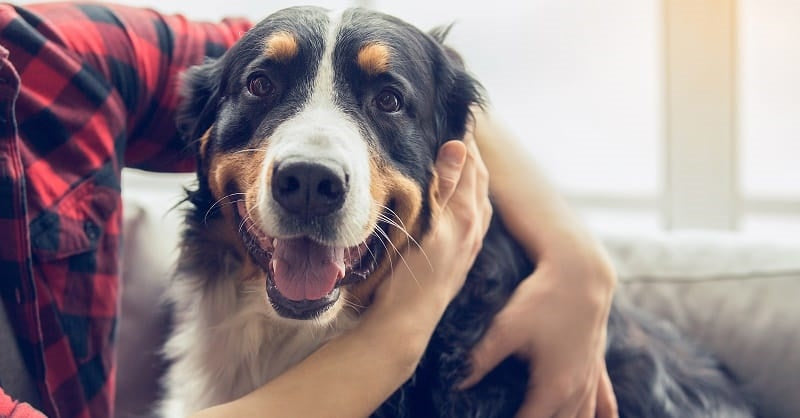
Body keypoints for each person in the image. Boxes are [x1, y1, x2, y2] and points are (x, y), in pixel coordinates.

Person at [0, 3, 617, 418]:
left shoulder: (45, 50)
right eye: (264, 88)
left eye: (388, 98)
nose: (312, 165)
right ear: (203, 140)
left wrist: (577, 258)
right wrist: (392, 341)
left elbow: (330, 42)